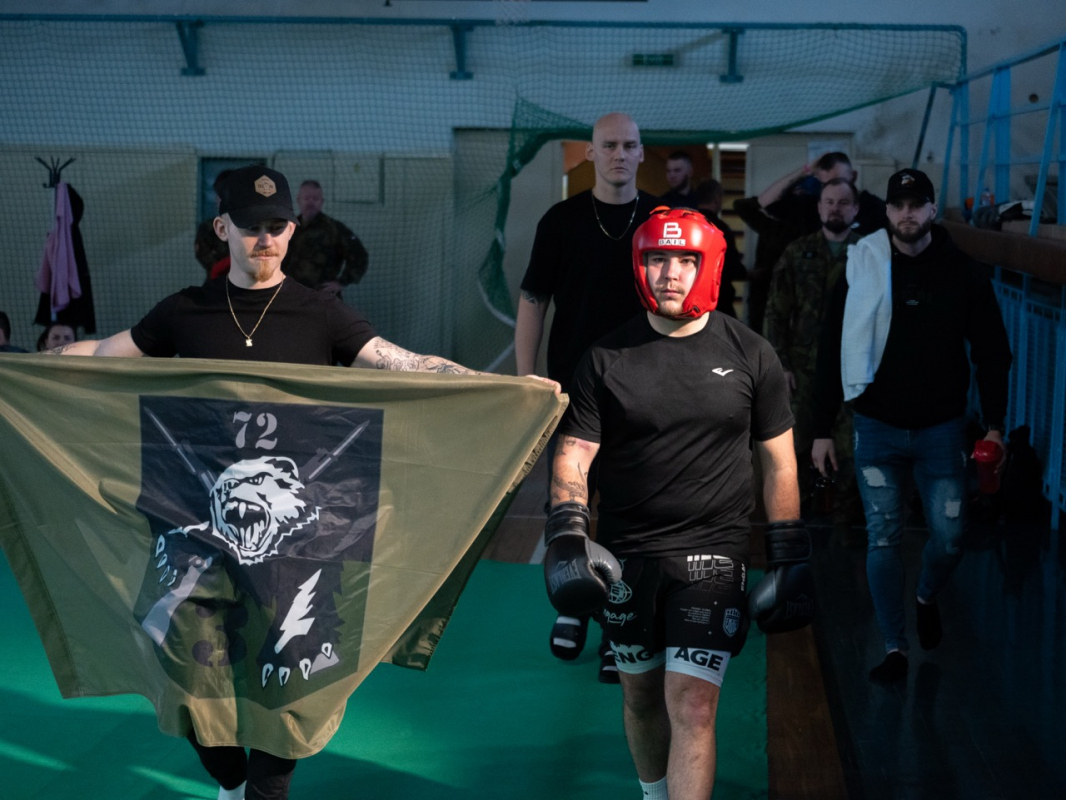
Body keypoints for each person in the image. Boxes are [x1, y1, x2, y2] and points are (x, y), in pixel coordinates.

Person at [55, 164, 553, 800]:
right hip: (202, 535)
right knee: (191, 688)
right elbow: (103, 355)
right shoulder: (185, 311)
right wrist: (28, 366)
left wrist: (505, 390)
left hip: (297, 550)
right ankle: (229, 779)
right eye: (250, 227)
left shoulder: (322, 314)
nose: (265, 239)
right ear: (222, 229)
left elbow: (403, 364)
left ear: (292, 229)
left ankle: (261, 790)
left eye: (277, 226)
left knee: (288, 687)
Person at [541, 206, 811, 800]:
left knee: (692, 703)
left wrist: (788, 550)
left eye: (685, 260)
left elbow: (779, 461)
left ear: (707, 266)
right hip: (628, 554)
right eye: (658, 259)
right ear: (640, 266)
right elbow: (575, 452)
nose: (670, 273)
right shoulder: (605, 357)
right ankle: (654, 793)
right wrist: (567, 529)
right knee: (640, 695)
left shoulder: (751, 353)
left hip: (713, 552)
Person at [811, 168, 1012, 683]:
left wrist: (995, 425)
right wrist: (820, 428)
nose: (907, 214)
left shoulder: (963, 272)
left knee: (950, 537)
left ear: (931, 209)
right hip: (876, 425)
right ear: (887, 212)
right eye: (898, 205)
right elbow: (831, 348)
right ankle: (894, 647)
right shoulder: (862, 266)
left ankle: (925, 595)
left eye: (916, 205)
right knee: (882, 538)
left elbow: (993, 351)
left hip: (941, 428)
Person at [515, 111, 661, 682]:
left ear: (641, 152)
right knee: (568, 506)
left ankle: (616, 623)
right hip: (576, 391)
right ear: (591, 154)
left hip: (645, 391)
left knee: (629, 511)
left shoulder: (661, 222)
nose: (620, 154)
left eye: (629, 145)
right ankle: (573, 605)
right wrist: (527, 380)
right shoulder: (561, 221)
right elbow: (533, 301)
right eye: (610, 145)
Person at [763, 178, 864, 533]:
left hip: (852, 370)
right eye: (829, 202)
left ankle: (845, 529)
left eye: (843, 202)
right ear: (819, 207)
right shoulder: (797, 252)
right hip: (802, 371)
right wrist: (781, 364)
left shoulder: (867, 253)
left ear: (855, 209)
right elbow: (775, 313)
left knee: (849, 451)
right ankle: (796, 525)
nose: (835, 208)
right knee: (796, 450)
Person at [735, 151, 887, 334]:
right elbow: (764, 203)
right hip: (810, 318)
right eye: (826, 185)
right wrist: (805, 171)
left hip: (854, 314)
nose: (835, 206)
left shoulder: (874, 209)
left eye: (839, 181)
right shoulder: (811, 208)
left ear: (853, 177)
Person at [281, 180, 368, 296]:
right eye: (306, 198)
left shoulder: (334, 229)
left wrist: (341, 282)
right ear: (298, 200)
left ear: (321, 202)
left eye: (315, 199)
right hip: (291, 295)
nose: (311, 202)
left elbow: (360, 255)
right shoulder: (288, 228)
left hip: (322, 297)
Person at [688, 178, 745, 319]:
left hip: (690, 297)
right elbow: (733, 268)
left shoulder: (688, 226)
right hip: (719, 300)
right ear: (717, 198)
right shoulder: (721, 230)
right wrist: (750, 274)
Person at [195, 169, 234, 281]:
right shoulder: (207, 228)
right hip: (216, 283)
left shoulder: (249, 226)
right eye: (219, 195)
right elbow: (205, 257)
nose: (219, 200)